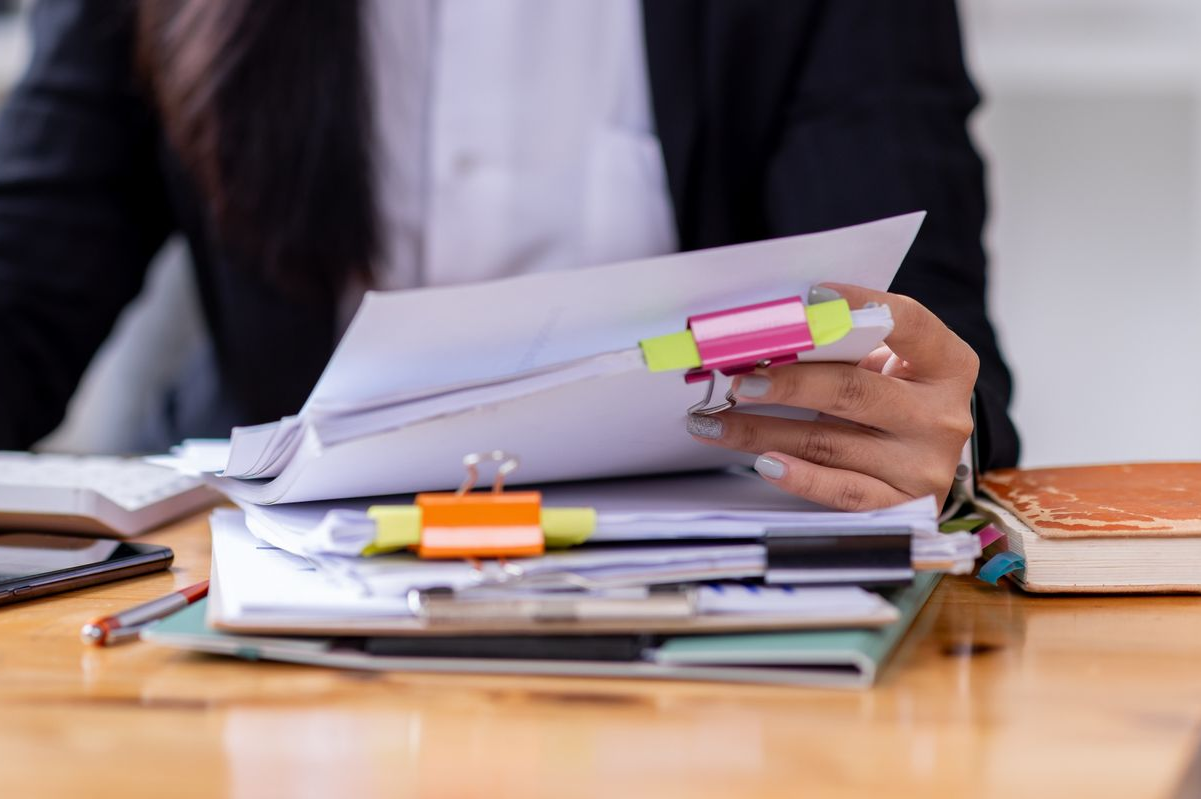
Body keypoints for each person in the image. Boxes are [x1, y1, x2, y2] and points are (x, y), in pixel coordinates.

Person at [0, 0, 1018, 510]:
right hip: (257, 609)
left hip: (717, 619)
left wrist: (931, 445)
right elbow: (28, 286)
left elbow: (923, 340)